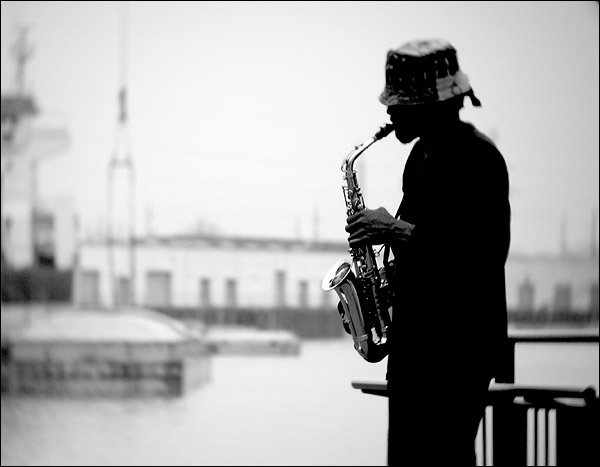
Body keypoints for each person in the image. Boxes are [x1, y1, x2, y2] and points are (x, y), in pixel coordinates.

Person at [344, 38, 511, 465]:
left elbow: (482, 258)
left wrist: (394, 230)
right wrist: (377, 287)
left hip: (456, 354)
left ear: (431, 104)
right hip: (416, 348)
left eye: (399, 102)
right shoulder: (421, 154)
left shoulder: (479, 159)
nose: (388, 111)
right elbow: (426, 255)